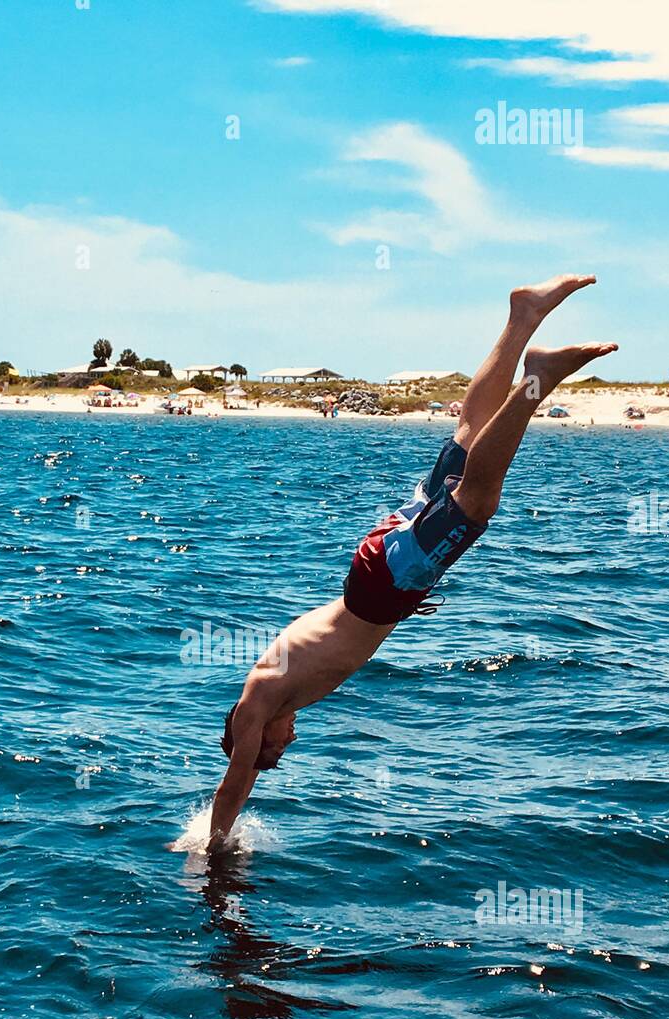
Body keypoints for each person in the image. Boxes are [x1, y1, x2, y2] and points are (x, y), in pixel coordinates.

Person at [208, 274, 617, 850]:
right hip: (377, 575)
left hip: (383, 586)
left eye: (273, 747)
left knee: (477, 501)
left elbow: (233, 785)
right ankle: (522, 316)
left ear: (246, 734)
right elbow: (337, 626)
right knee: (468, 439)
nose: (283, 744)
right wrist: (400, 600)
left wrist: (211, 851)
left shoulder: (255, 704)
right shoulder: (276, 679)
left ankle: (537, 381)